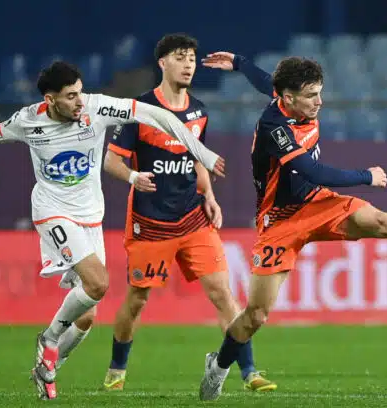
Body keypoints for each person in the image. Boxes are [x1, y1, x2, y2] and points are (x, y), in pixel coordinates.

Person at [196, 51, 387, 400]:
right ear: (289, 98)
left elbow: (266, 82)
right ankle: (219, 366)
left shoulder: (287, 96)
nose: (319, 102)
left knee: (384, 222)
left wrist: (241, 63)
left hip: (320, 204)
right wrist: (367, 175)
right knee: (256, 315)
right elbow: (311, 171)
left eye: (320, 92)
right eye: (311, 95)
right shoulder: (275, 128)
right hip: (280, 222)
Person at [0, 61, 225, 400]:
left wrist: (199, 149)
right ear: (50, 99)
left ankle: (48, 368)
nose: (79, 101)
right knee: (99, 281)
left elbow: (155, 115)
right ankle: (49, 341)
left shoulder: (96, 106)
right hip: (53, 212)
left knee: (86, 317)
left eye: (80, 92)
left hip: (90, 217)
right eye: (70, 96)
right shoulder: (29, 120)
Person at [96, 34, 276, 393]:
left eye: (192, 58)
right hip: (150, 223)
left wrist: (209, 194)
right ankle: (117, 370)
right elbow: (110, 161)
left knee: (224, 295)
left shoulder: (199, 111)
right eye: (181, 58)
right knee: (137, 300)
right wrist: (133, 176)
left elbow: (197, 160)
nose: (189, 64)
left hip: (194, 219)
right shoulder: (138, 110)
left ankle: (249, 372)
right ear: (162, 63)